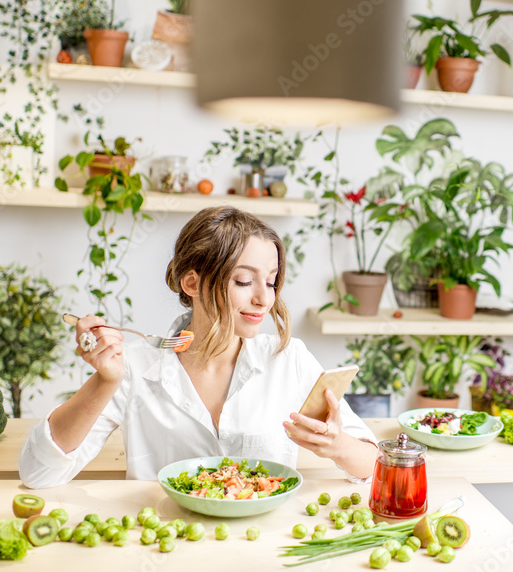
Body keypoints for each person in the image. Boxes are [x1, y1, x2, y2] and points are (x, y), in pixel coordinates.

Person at [20, 206, 378, 488]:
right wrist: (105, 381)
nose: (263, 299)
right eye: (243, 280)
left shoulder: (289, 360)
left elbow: (374, 465)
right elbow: (38, 473)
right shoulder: (133, 368)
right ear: (191, 282)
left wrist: (337, 445)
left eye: (270, 282)